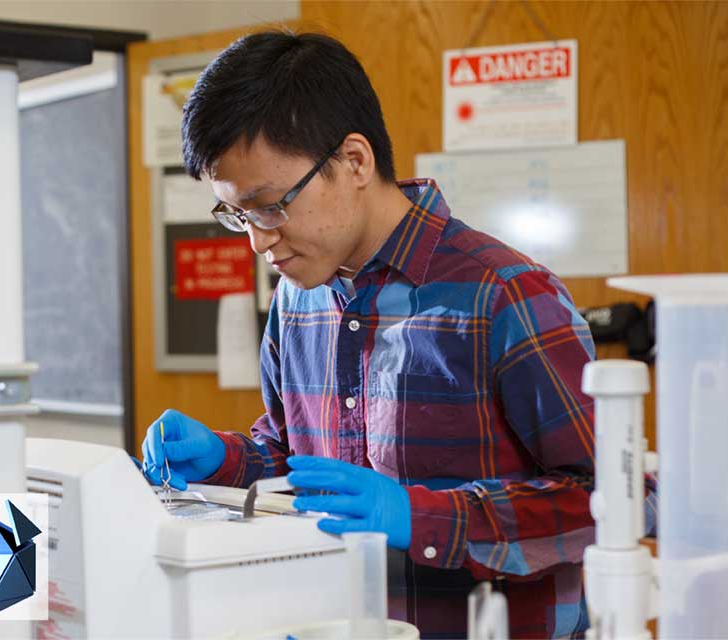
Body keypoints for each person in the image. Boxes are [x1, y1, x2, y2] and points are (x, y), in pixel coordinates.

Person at [140, 31, 656, 639]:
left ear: (354, 162)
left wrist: (422, 517)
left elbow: (623, 501)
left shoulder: (504, 294)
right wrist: (227, 459)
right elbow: (297, 460)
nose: (257, 240)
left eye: (270, 205)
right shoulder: (297, 300)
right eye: (238, 215)